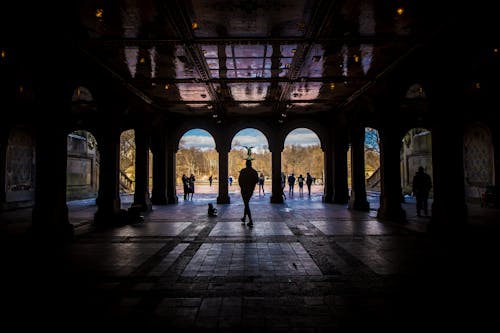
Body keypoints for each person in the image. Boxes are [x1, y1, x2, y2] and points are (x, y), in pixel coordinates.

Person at [238, 159, 259, 226]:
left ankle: (250, 220)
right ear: (251, 164)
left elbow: (239, 180)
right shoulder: (254, 172)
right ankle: (244, 218)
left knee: (246, 204)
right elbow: (256, 181)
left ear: (246, 164)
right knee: (246, 203)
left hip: (244, 190)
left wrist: (242, 187)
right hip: (250, 190)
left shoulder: (243, 171)